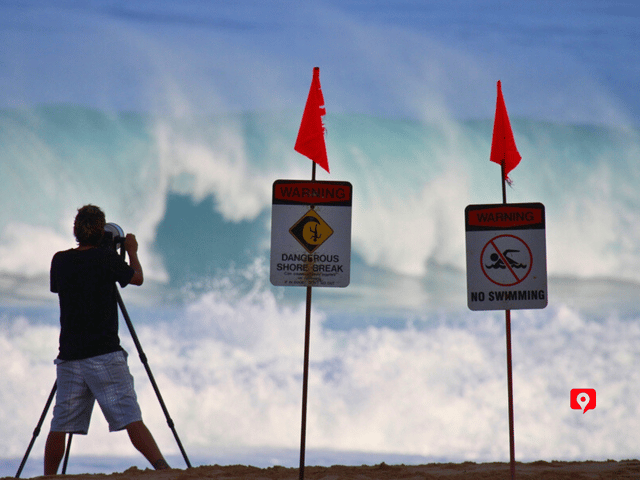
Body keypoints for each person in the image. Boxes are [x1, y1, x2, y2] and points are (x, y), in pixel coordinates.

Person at [44, 205, 169, 475]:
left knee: (60, 424)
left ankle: (49, 476)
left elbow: (62, 286)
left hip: (70, 355)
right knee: (131, 417)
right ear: (101, 232)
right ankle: (162, 468)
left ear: (76, 231)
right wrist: (132, 252)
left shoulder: (60, 260)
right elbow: (137, 278)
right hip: (104, 355)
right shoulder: (105, 260)